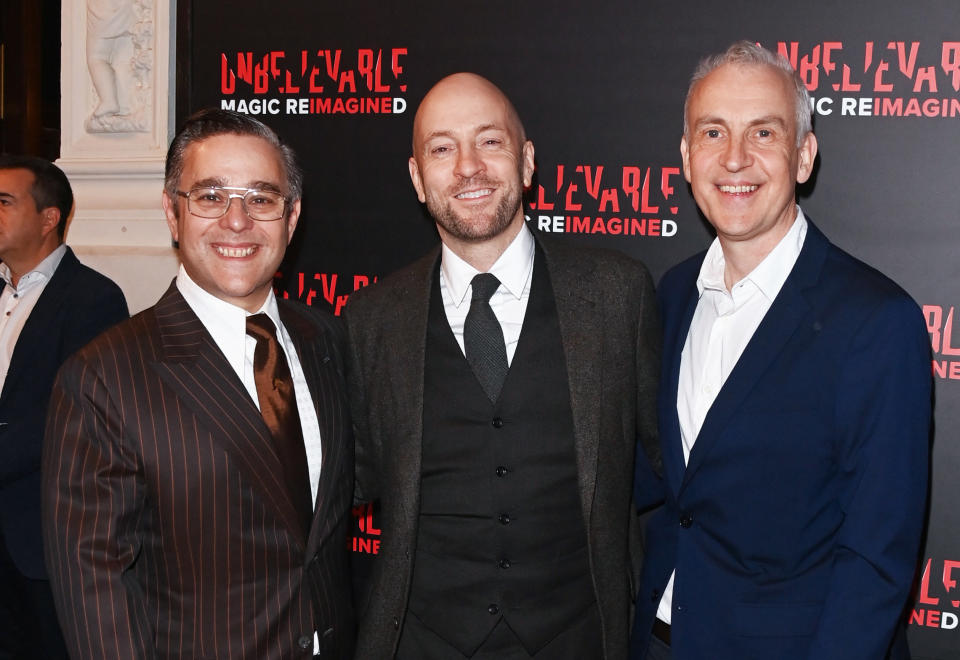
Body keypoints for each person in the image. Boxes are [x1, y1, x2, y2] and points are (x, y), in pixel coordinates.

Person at [345, 72, 661, 659]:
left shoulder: (618, 295)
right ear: (417, 178)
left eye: (489, 141)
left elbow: (675, 475)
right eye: (442, 148)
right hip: (420, 644)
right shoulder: (371, 319)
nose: (468, 166)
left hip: (580, 641)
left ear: (527, 161)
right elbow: (340, 483)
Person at [631, 41, 931, 660]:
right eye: (713, 133)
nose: (734, 158)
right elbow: (650, 472)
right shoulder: (672, 293)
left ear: (803, 155)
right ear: (687, 158)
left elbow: (877, 555)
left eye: (762, 133)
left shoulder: (877, 322)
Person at [42, 109, 355, 659]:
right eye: (210, 197)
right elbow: (96, 599)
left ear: (292, 215)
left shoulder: (325, 338)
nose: (238, 220)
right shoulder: (103, 379)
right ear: (172, 212)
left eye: (261, 199)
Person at [0, 155, 128, 659]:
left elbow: (69, 415)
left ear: (49, 218)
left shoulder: (92, 298)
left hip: (42, 539)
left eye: (4, 201)